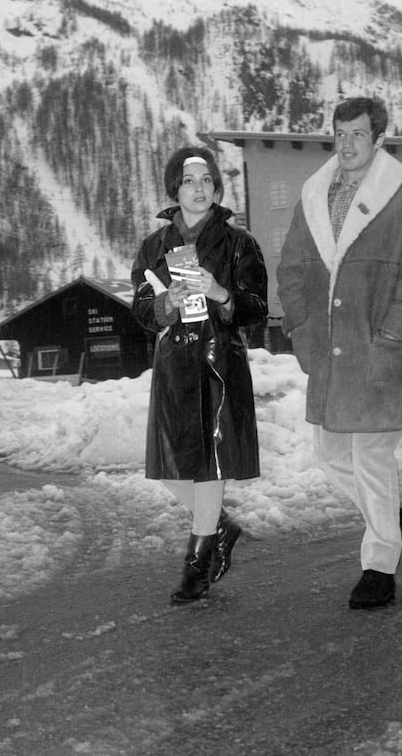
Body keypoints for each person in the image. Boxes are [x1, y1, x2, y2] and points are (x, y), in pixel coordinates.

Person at [276, 97, 402, 609]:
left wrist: (392, 336)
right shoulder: (313, 196)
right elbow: (292, 271)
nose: (346, 143)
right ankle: (391, 518)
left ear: (378, 140)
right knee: (328, 454)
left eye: (356, 134)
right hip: (328, 354)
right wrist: (303, 335)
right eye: (339, 133)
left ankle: (379, 566)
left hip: (377, 353)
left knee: (372, 457)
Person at [131, 145, 268, 604]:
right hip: (174, 364)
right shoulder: (154, 246)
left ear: (216, 187)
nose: (198, 188)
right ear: (175, 188)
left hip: (219, 363)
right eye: (190, 181)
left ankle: (197, 563)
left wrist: (222, 292)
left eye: (206, 180)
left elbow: (257, 310)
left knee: (211, 461)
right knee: (170, 461)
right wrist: (163, 305)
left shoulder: (239, 243)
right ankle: (221, 527)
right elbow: (140, 309)